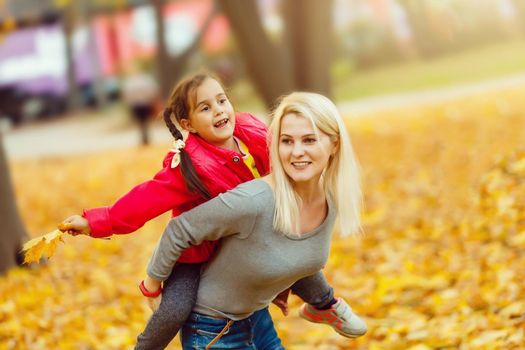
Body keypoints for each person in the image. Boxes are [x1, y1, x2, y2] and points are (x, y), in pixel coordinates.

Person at [60, 74, 366, 349]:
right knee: (175, 310)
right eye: (205, 108)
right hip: (199, 251)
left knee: (301, 251)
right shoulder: (190, 166)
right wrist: (96, 221)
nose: (219, 110)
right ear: (189, 124)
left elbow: (294, 154)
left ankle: (324, 304)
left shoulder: (255, 132)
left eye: (221, 100)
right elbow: (145, 200)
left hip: (247, 239)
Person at [143, 91, 365, 349]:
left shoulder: (332, 196)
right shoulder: (254, 200)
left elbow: (281, 250)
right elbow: (180, 229)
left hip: (257, 320)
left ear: (334, 144)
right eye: (286, 141)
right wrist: (153, 282)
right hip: (212, 331)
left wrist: (280, 286)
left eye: (309, 140)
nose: (297, 152)